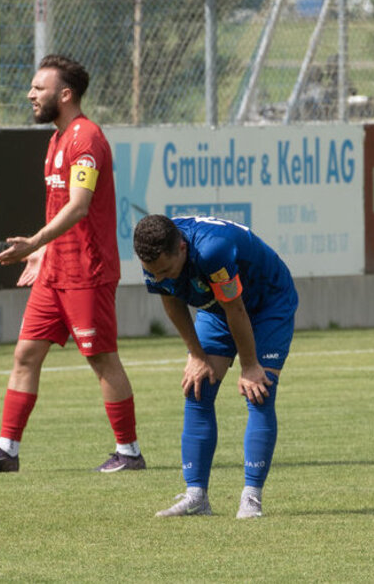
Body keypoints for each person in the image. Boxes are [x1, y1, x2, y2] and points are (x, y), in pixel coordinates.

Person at [0, 55, 145, 474]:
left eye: (38, 88)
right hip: (55, 270)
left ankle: (129, 452)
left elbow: (79, 207)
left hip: (86, 273)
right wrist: (44, 253)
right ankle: (7, 450)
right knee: (25, 354)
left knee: (102, 359)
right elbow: (62, 205)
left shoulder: (86, 139)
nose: (30, 94)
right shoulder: (56, 140)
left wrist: (34, 242)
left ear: (65, 94)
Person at [133, 214, 297, 519]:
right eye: (153, 273)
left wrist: (249, 366)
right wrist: (195, 355)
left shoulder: (212, 251)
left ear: (181, 248)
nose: (161, 278)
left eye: (166, 270)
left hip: (267, 303)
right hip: (217, 306)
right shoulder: (154, 257)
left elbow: (236, 307)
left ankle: (251, 499)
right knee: (197, 388)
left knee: (258, 391)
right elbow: (171, 300)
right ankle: (196, 497)